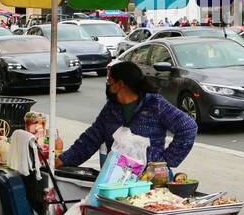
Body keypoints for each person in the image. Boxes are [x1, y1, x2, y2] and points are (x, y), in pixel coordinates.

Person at [59, 60, 197, 170]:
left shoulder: (155, 104)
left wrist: (164, 162)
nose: (108, 86)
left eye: (109, 82)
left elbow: (188, 127)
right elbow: (90, 139)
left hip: (150, 180)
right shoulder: (111, 109)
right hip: (115, 177)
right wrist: (63, 160)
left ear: (120, 84)